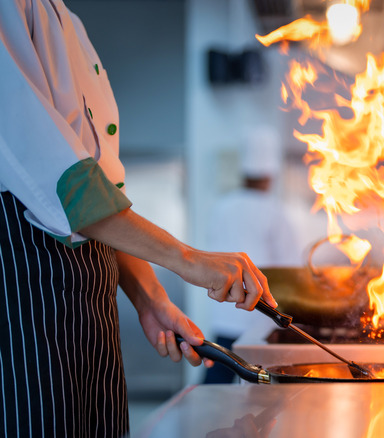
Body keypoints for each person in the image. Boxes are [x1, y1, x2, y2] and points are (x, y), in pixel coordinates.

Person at [0, 1, 277, 436]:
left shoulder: (69, 23)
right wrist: (186, 258)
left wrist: (150, 298)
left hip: (91, 300)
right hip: (25, 290)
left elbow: (102, 188)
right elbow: (61, 182)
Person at [203, 127, 301, 384]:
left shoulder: (221, 207)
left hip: (223, 312)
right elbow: (292, 270)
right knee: (257, 387)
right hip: (258, 317)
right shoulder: (275, 211)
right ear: (271, 174)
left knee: (218, 381)